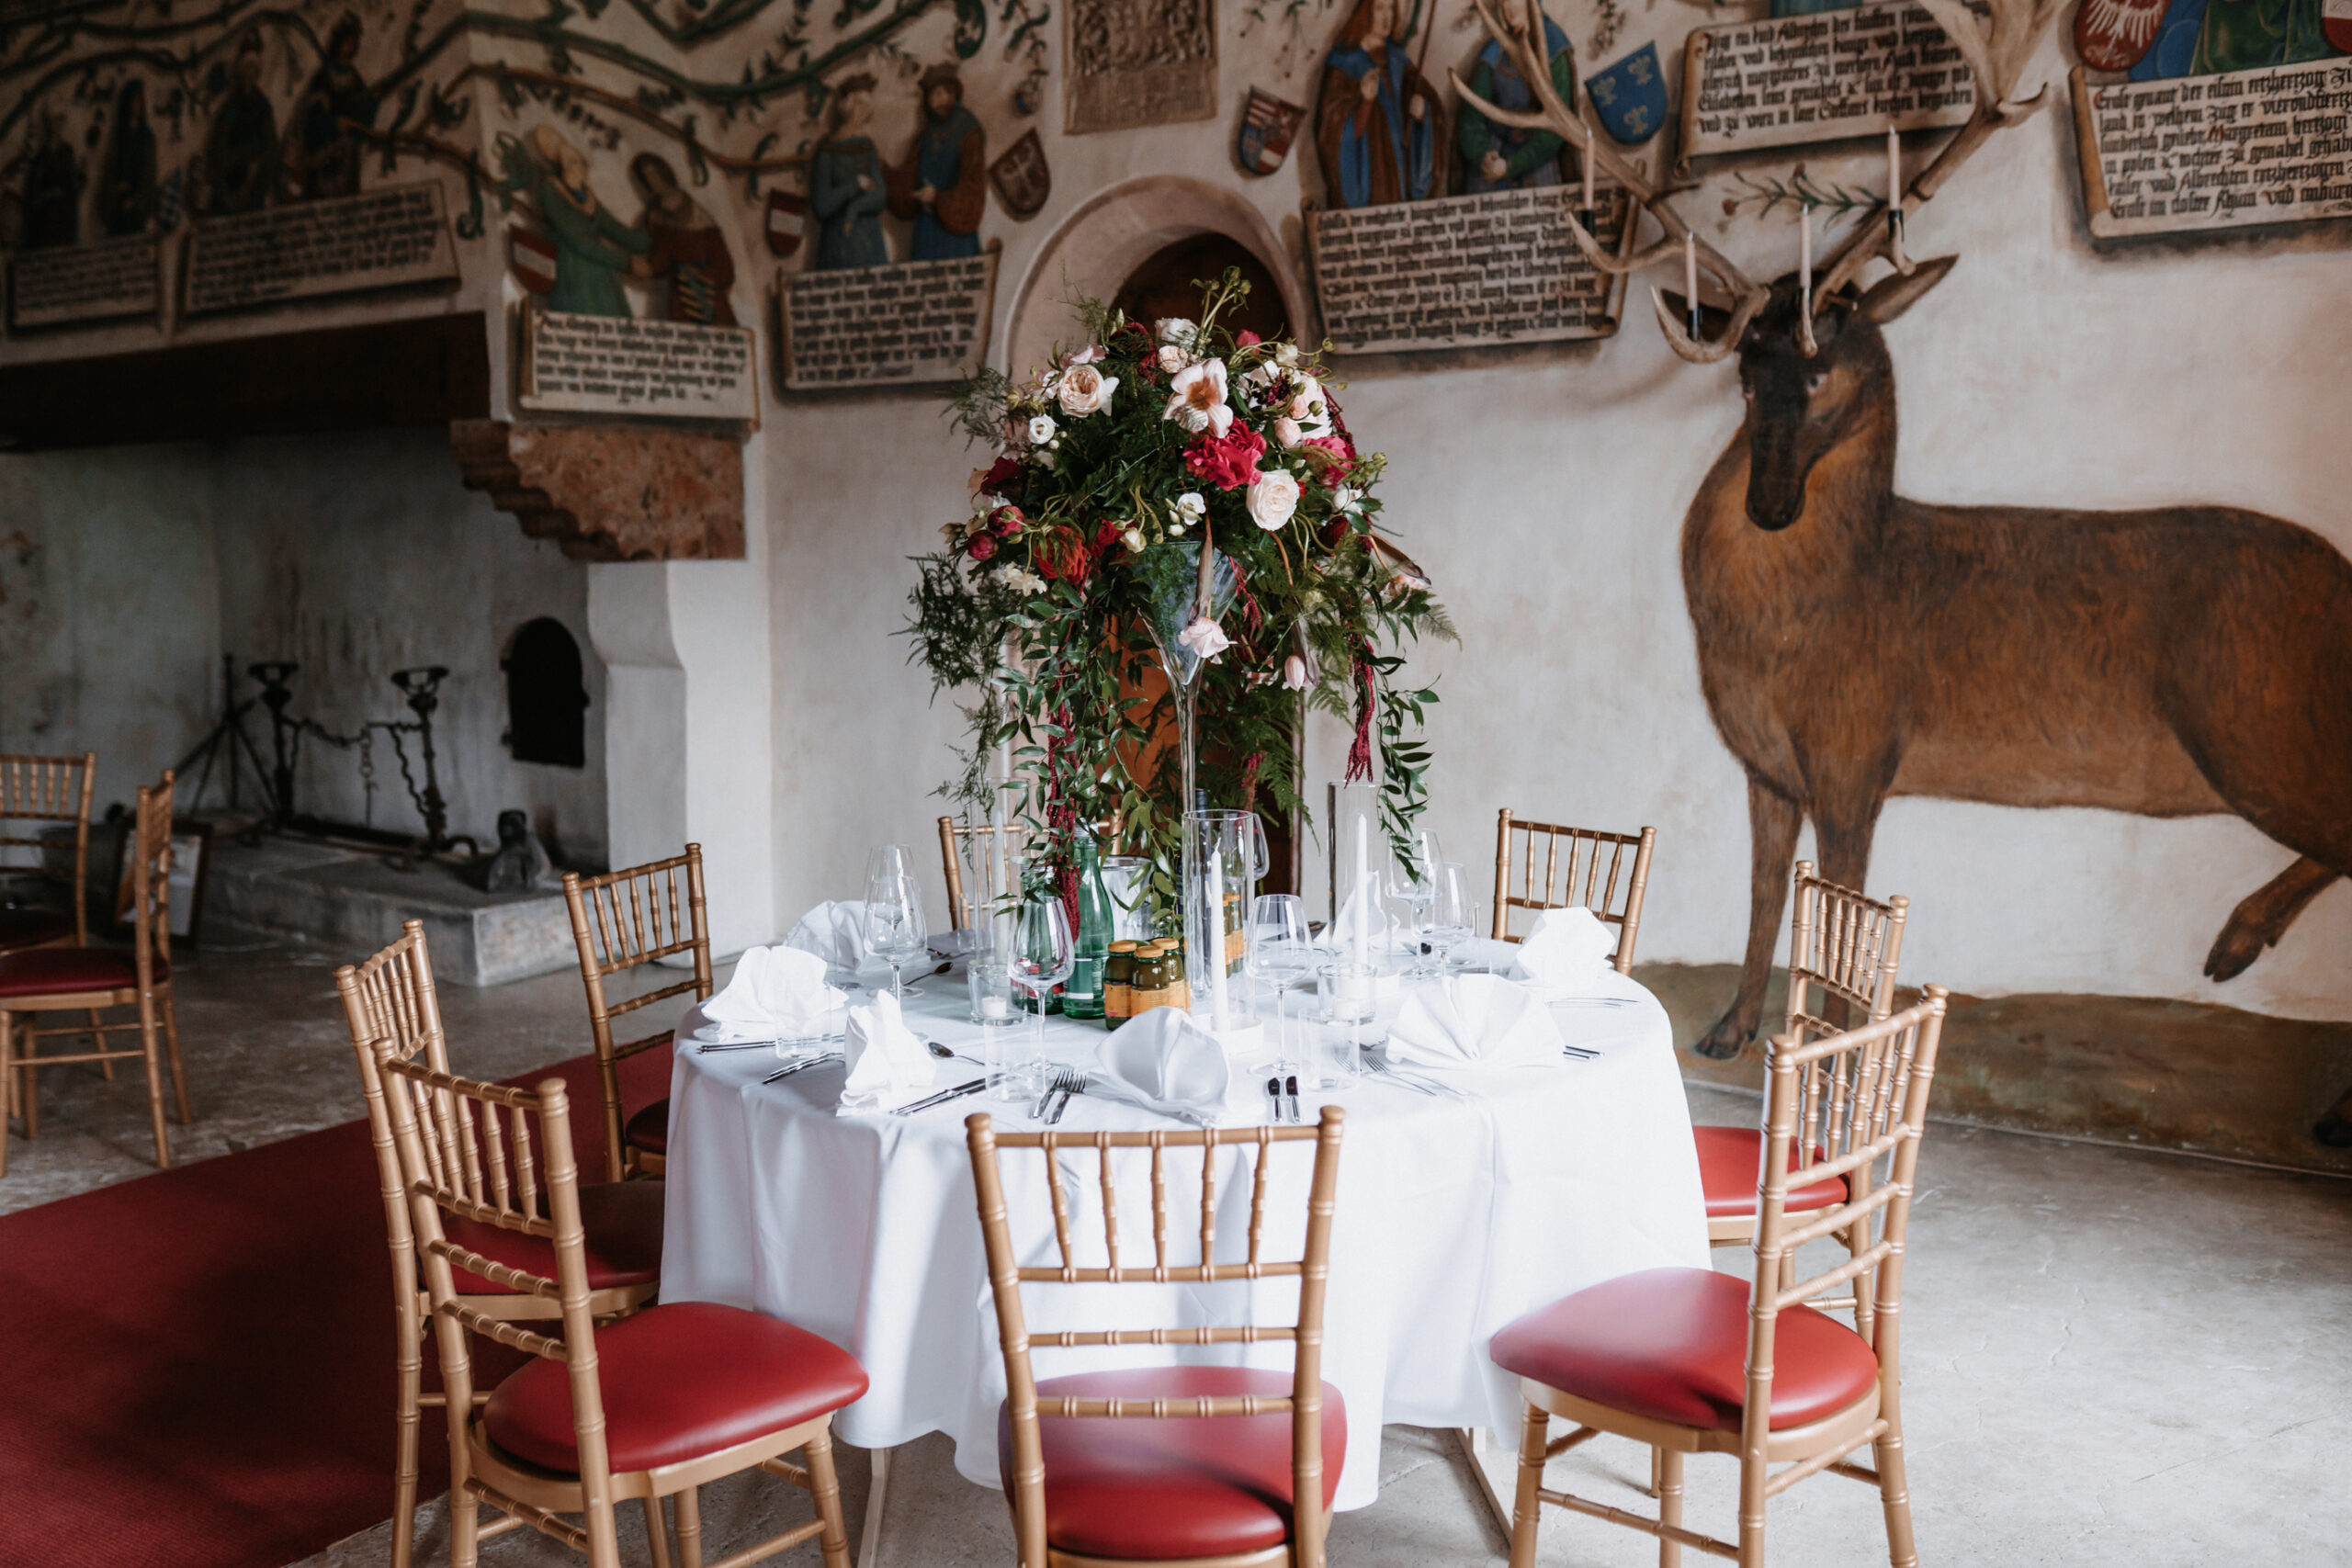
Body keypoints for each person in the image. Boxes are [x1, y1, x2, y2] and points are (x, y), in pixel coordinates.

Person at [1315, 0, 1442, 209]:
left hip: (1401, 179)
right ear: (1366, 12)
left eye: (1391, 8)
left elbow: (1431, 105)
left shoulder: (1399, 60)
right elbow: (1330, 130)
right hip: (1369, 177)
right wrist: (1365, 103)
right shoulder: (1344, 61)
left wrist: (1423, 114)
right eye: (1380, 8)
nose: (1387, 16)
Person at [519, 125, 649, 318]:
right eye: (568, 163)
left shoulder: (586, 195)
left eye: (576, 161)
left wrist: (653, 240)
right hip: (574, 272)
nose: (573, 167)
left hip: (602, 275)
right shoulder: (550, 189)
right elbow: (578, 241)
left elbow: (614, 229)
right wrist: (626, 262)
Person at [1456, 13, 1576, 193]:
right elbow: (1471, 121)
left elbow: (1559, 123)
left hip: (1537, 160)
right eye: (1503, 1)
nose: (1509, 6)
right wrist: (1483, 155)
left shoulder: (1554, 44)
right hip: (1493, 159)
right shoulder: (1493, 51)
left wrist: (1512, 166)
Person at [886, 62, 986, 261]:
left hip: (955, 237)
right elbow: (907, 178)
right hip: (927, 232)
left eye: (941, 93)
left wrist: (938, 197)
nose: (935, 101)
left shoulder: (969, 133)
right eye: (931, 96)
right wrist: (883, 172)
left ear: (953, 94)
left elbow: (973, 189)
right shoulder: (926, 136)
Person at [628, 152, 738, 323]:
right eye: (646, 177)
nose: (652, 181)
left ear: (664, 172)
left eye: (654, 174)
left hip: (712, 300)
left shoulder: (699, 215)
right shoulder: (654, 216)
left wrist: (701, 276)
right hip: (681, 299)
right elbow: (660, 260)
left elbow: (725, 268)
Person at [286, 13, 378, 200]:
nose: (351, 45)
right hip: (321, 163)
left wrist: (373, 103)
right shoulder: (323, 79)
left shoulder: (356, 82)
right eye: (347, 40)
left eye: (354, 41)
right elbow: (310, 126)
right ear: (338, 42)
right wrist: (335, 123)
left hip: (346, 165)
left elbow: (362, 127)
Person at [809, 73, 889, 270]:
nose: (863, 113)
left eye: (866, 107)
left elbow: (880, 195)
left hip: (870, 244)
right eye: (859, 106)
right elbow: (821, 206)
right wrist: (855, 185)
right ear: (847, 107)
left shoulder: (866, 147)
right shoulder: (827, 151)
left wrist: (854, 209)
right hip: (839, 243)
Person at [205, 32, 281, 214]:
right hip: (231, 176)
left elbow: (270, 145)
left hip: (254, 178)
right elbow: (219, 142)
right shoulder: (231, 105)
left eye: (253, 68)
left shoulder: (262, 106)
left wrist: (256, 163)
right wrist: (231, 160)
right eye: (247, 67)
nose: (250, 73)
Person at [96, 79, 158, 238]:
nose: (137, 106)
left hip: (136, 208)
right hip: (117, 207)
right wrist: (114, 191)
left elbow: (149, 175)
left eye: (140, 101)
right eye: (134, 101)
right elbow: (110, 170)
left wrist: (136, 202)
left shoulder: (146, 138)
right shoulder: (118, 136)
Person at [18, 107, 84, 249]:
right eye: (55, 123)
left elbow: (73, 182)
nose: (57, 127)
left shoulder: (67, 152)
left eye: (60, 123)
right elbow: (35, 190)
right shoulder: (42, 157)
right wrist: (48, 195)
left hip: (64, 214)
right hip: (47, 215)